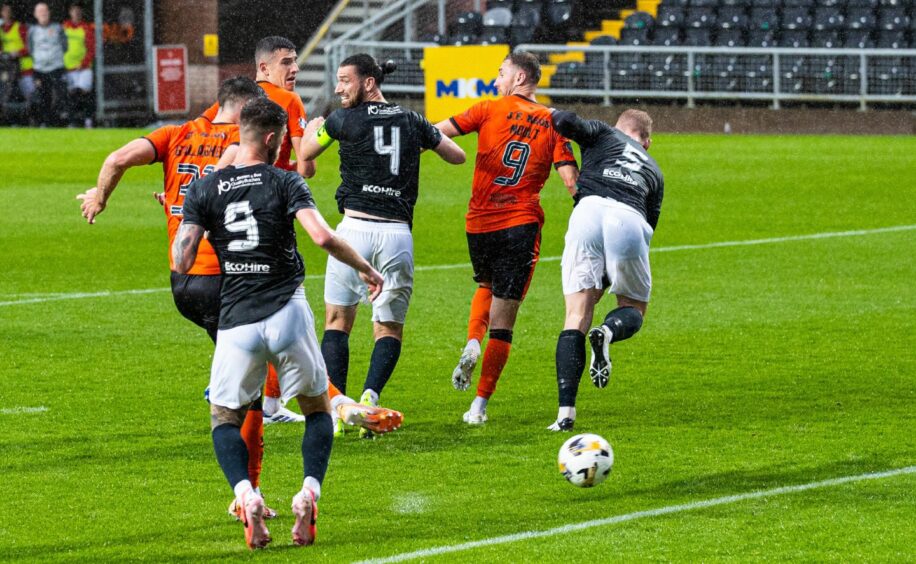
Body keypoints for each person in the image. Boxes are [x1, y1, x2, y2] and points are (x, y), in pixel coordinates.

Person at [172, 97, 385, 549]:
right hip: (287, 311)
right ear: (272, 138)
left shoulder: (206, 188)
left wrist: (200, 221)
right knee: (316, 411)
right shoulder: (285, 181)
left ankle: (246, 494)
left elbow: (183, 257)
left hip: (236, 320)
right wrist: (366, 269)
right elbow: (323, 236)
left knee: (225, 417)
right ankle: (309, 491)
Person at [300, 54, 465, 438]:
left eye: (344, 81)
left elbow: (306, 154)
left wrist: (315, 127)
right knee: (388, 328)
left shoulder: (340, 121)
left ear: (369, 82)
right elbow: (456, 156)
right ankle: (370, 398)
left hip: (352, 233)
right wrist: (419, 142)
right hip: (396, 236)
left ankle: (337, 410)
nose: (338, 88)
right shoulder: (412, 119)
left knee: (337, 322)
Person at [435, 51, 578, 424]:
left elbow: (434, 133)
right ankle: (478, 406)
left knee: (485, 284)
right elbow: (570, 180)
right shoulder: (553, 121)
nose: (496, 80)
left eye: (500, 73)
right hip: (520, 222)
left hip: (479, 222)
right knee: (504, 320)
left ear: (518, 78)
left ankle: (471, 342)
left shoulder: (486, 109)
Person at [203, 35, 314, 423]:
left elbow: (216, 152)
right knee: (281, 307)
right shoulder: (288, 104)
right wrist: (314, 137)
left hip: (229, 219)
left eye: (295, 61)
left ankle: (247, 396)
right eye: (286, 62)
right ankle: (283, 402)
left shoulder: (237, 104)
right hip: (273, 214)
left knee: (240, 310)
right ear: (264, 67)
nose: (294, 69)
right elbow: (306, 164)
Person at [547, 108, 665, 432]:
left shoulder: (602, 132)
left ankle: (565, 415)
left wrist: (555, 115)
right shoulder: (654, 170)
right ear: (647, 142)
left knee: (575, 316)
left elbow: (564, 123)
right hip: (629, 217)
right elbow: (648, 226)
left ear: (619, 127)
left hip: (588, 210)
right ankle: (609, 331)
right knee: (634, 308)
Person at [27, 2, 67, 126]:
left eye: (45, 11)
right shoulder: (32, 31)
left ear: (49, 13)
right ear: (35, 14)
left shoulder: (58, 28)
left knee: (59, 96)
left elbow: (65, 46)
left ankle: (58, 122)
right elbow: (30, 48)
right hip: (39, 69)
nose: (43, 14)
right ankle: (43, 122)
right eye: (40, 11)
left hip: (56, 68)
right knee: (42, 96)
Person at [62, 2, 94, 127]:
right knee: (71, 95)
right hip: (68, 67)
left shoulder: (86, 28)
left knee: (84, 93)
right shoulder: (64, 27)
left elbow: (91, 48)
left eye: (78, 11)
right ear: (70, 12)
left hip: (83, 68)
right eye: (74, 10)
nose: (76, 13)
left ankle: (88, 120)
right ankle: (72, 121)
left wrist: (84, 63)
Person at [0, 3, 35, 107]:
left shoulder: (21, 27)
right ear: (1, 13)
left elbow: (30, 47)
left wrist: (18, 53)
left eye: (9, 11)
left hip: (24, 67)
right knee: (4, 94)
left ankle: (35, 119)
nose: (7, 13)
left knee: (30, 96)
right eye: (5, 11)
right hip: (7, 68)